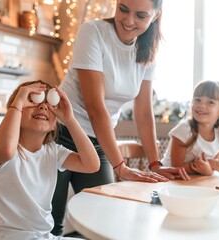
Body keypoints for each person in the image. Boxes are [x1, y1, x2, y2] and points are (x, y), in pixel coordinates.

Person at [52, 0, 188, 236]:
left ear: (156, 15)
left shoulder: (147, 51)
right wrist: (120, 166)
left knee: (103, 221)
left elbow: (144, 113)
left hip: (97, 141)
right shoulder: (92, 32)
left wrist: (155, 165)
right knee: (51, 222)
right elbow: (95, 107)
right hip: (58, 134)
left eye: (141, 15)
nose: (128, 20)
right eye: (123, 9)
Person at [0, 80, 100, 240]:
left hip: (45, 237)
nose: (43, 106)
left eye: (49, 103)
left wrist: (70, 120)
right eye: (33, 100)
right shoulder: (2, 147)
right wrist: (18, 100)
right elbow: (6, 149)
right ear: (16, 112)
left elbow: (92, 165)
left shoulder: (53, 151)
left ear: (54, 125)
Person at [161, 80, 219, 176]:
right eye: (197, 100)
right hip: (169, 180)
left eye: (210, 102)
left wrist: (208, 169)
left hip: (193, 182)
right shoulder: (184, 130)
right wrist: (210, 164)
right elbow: (176, 168)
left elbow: (209, 170)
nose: (201, 105)